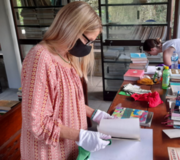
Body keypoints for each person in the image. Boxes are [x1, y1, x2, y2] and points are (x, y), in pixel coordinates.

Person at [20, 2, 114, 159]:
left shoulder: (66, 56)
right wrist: (82, 136)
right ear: (72, 29)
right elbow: (37, 123)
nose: (89, 46)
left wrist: (95, 114)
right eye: (88, 41)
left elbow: (67, 102)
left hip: (70, 145)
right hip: (49, 152)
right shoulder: (40, 58)